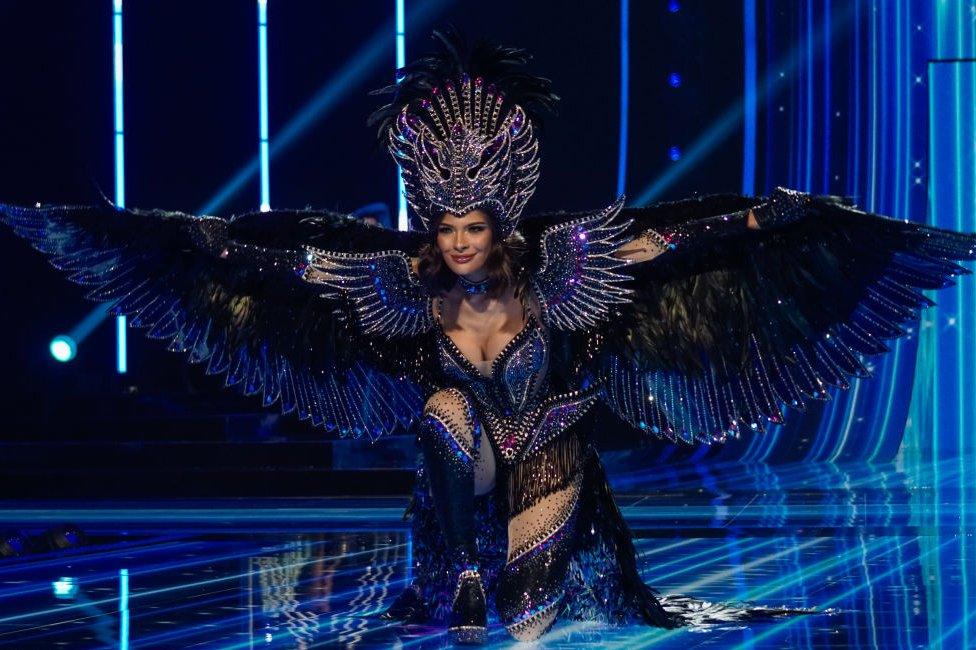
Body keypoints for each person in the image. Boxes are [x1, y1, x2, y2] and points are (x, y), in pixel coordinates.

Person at [2, 28, 975, 645]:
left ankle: (518, 579)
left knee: (533, 622)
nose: (460, 242)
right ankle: (457, 567)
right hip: (456, 455)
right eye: (446, 228)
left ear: (498, 224)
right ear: (431, 226)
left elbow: (671, 233)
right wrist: (195, 236)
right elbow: (284, 252)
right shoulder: (393, 281)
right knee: (442, 417)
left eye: (474, 227)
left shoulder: (569, 262)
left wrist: (763, 221)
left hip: (549, 443)